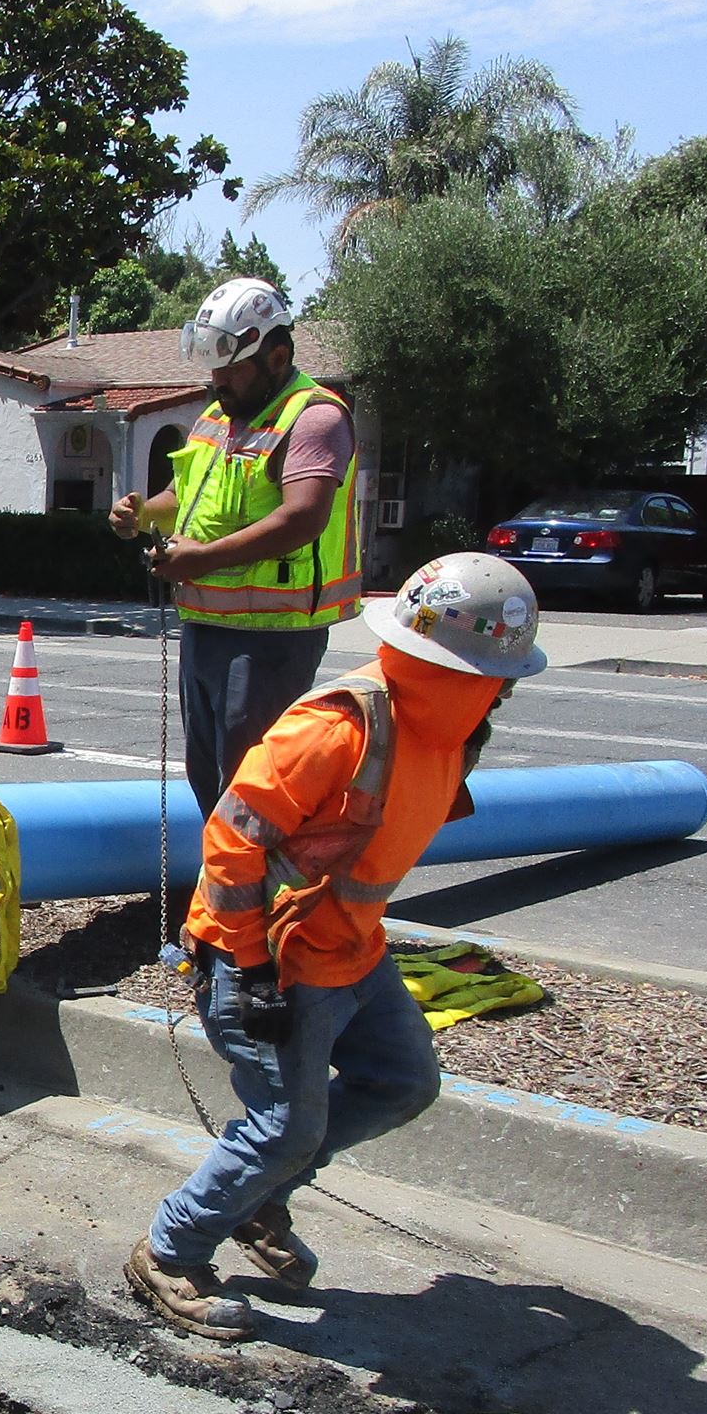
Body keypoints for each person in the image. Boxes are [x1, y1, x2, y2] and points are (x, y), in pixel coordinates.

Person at [125, 552, 548, 1340]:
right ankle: (171, 1251)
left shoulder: (450, 732)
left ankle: (258, 1199)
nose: (502, 690)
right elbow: (230, 841)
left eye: (505, 678)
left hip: (351, 948)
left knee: (400, 1081)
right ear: (439, 665)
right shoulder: (336, 729)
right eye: (491, 676)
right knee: (285, 1127)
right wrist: (248, 968)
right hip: (273, 959)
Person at [110, 277, 362, 817]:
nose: (219, 380)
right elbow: (183, 497)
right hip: (206, 626)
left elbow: (302, 517)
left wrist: (200, 559)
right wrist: (142, 513)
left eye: (232, 369)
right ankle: (225, 893)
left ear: (277, 354)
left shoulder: (314, 417)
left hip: (270, 638)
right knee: (210, 783)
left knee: (251, 791)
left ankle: (252, 899)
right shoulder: (218, 418)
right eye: (214, 370)